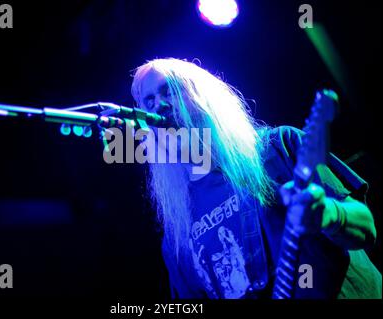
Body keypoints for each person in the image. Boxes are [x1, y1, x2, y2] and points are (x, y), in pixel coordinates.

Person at [130, 58, 381, 299]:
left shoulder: (279, 148)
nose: (159, 105)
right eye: (148, 101)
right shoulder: (177, 230)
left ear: (203, 98)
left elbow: (366, 227)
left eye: (169, 91)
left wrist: (329, 214)